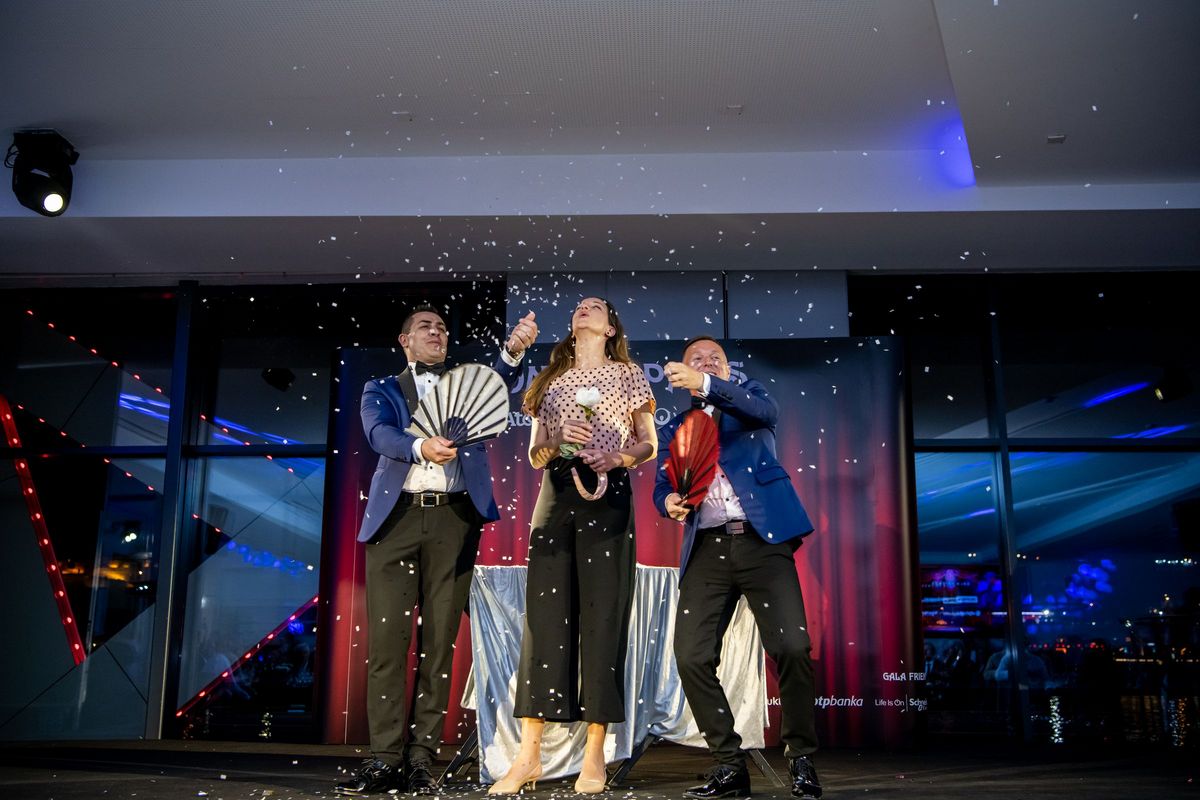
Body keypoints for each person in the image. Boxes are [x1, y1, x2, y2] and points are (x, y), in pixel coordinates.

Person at [336, 305, 539, 797]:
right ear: (404, 340)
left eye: (443, 328)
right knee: (387, 645)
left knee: (439, 645)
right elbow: (379, 434)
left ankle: (422, 759)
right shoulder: (381, 389)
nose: (437, 333)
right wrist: (420, 448)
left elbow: (493, 385)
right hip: (396, 521)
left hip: (454, 519)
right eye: (426, 327)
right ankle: (385, 758)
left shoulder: (461, 384)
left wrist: (513, 351)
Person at [489, 297, 656, 795]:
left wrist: (619, 457)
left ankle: (594, 753)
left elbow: (648, 442)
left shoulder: (628, 374)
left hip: (609, 491)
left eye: (596, 307)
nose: (585, 309)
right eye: (580, 306)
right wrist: (559, 437)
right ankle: (529, 755)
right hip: (557, 492)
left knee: (602, 616)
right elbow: (536, 454)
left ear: (610, 329)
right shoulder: (549, 380)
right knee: (544, 617)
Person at [655, 336, 822, 800]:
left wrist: (708, 382)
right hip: (707, 547)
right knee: (691, 656)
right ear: (680, 374)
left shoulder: (752, 402)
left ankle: (801, 756)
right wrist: (667, 501)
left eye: (716, 359)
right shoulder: (676, 429)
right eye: (697, 359)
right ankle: (729, 764)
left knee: (792, 647)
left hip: (762, 541)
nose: (707, 362)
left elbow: (765, 412)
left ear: (727, 370)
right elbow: (662, 484)